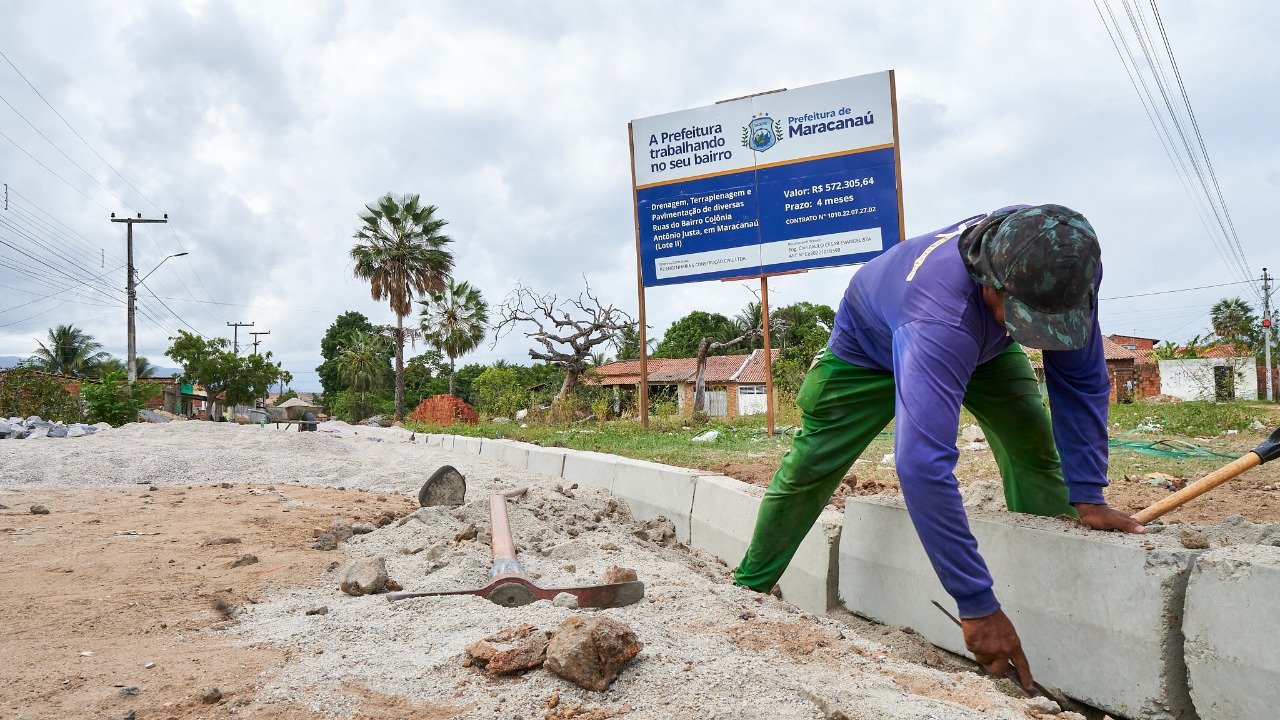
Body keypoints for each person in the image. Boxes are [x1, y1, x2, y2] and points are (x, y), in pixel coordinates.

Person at [734, 204, 1145, 691]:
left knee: (1033, 446)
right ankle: (748, 591)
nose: (1031, 333)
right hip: (867, 353)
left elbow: (1080, 382)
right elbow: (922, 467)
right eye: (1024, 319)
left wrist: (1089, 494)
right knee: (811, 466)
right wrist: (976, 605)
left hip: (983, 350)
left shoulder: (1062, 263)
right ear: (991, 282)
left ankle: (1050, 592)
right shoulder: (942, 314)